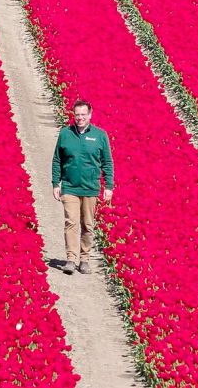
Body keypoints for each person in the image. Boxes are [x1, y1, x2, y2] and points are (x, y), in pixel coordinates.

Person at [51, 99, 114, 275]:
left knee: (87, 224)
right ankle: (71, 259)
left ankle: (84, 259)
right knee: (71, 222)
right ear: (73, 115)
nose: (80, 118)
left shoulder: (100, 136)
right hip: (70, 187)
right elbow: (57, 160)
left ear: (90, 115)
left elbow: (107, 162)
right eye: (77, 115)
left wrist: (108, 185)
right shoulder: (65, 134)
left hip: (90, 188)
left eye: (83, 115)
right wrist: (56, 183)